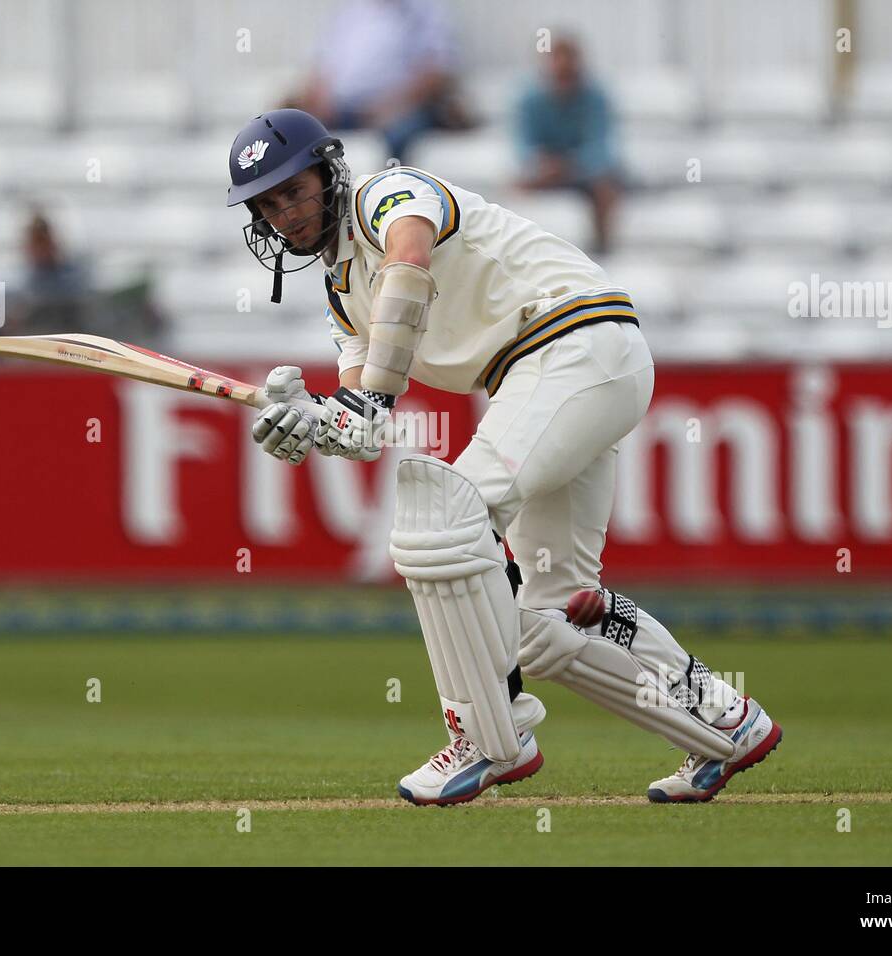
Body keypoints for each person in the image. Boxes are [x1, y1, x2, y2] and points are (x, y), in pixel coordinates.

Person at [226, 109, 783, 806]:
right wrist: (310, 419)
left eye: (293, 190)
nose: (285, 215)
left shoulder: (387, 195)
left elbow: (408, 261)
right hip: (547, 377)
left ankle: (490, 740)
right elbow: (364, 419)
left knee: (444, 516)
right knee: (543, 622)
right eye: (267, 206)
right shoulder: (342, 293)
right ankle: (723, 721)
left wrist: (364, 401)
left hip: (574, 344)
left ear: (328, 170)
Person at [288, 0, 472, 164]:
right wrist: (320, 99)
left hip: (400, 108)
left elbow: (437, 70)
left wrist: (392, 106)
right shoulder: (349, 10)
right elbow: (321, 63)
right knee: (292, 127)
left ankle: (390, 192)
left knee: (399, 135)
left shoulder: (425, 9)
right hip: (344, 107)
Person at [514, 36, 623, 255]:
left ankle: (602, 252)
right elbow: (522, 147)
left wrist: (569, 165)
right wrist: (542, 165)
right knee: (516, 189)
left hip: (585, 174)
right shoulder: (529, 100)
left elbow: (601, 148)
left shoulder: (596, 98)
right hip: (545, 172)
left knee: (606, 189)